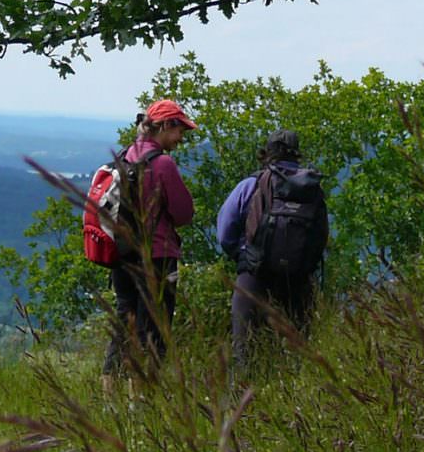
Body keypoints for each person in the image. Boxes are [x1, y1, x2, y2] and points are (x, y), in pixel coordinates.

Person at [102, 98, 197, 390]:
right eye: (180, 130)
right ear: (165, 125)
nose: (181, 139)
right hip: (157, 258)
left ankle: (110, 398)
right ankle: (142, 405)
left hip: (122, 256)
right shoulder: (163, 164)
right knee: (154, 331)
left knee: (124, 324)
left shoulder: (124, 156)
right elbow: (183, 214)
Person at [216, 129, 328, 372]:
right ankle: (294, 402)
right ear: (297, 154)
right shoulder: (312, 189)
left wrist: (244, 255)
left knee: (244, 351)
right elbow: (321, 236)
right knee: (298, 354)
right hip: (298, 280)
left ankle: (242, 402)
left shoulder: (252, 184)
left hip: (254, 275)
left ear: (267, 153)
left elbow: (225, 232)